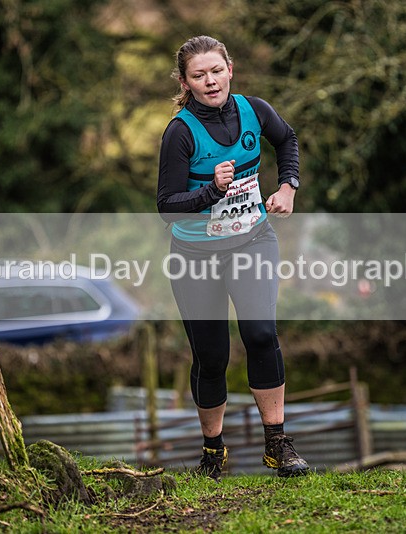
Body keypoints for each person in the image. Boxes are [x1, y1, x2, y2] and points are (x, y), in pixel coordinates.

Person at [157, 35, 308, 480]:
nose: (210, 81)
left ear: (230, 69)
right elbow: (166, 206)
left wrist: (287, 186)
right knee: (212, 356)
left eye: (216, 71)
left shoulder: (254, 110)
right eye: (198, 75)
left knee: (261, 334)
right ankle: (212, 452)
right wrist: (210, 191)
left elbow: (287, 139)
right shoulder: (180, 132)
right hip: (195, 254)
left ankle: (278, 444)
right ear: (185, 82)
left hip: (251, 241)